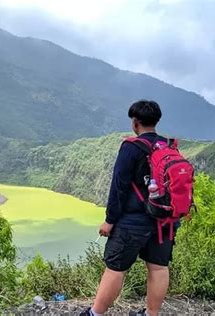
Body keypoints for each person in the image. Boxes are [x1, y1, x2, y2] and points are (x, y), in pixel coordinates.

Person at [80, 100, 178, 316]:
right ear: (156, 121)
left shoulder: (131, 148)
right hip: (164, 221)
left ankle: (95, 313)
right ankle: (151, 314)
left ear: (135, 123)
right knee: (158, 267)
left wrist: (109, 220)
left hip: (133, 222)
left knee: (115, 268)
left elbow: (118, 188)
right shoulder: (169, 146)